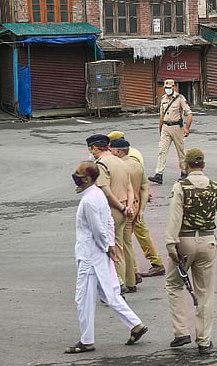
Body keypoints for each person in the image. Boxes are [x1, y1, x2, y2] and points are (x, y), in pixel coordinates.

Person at [66, 161, 147, 354]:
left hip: (90, 256)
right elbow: (109, 222)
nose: (76, 178)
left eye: (79, 175)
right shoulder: (98, 194)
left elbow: (98, 229)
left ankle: (87, 340)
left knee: (83, 298)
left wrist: (107, 246)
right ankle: (135, 325)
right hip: (99, 253)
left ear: (87, 179)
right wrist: (110, 245)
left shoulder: (89, 201)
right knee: (109, 293)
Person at [164, 149, 217, 354]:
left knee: (174, 284)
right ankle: (204, 340)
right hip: (208, 240)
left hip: (184, 241)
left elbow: (175, 217)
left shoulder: (181, 187)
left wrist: (170, 243)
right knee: (205, 293)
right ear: (203, 165)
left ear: (186, 165)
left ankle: (181, 331)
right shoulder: (215, 187)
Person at [107, 130, 165, 277]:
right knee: (138, 234)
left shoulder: (122, 161)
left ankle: (137, 270)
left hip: (128, 203)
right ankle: (149, 265)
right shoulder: (134, 154)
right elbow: (143, 181)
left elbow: (129, 183)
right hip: (137, 201)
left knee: (126, 240)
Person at [87, 134, 137, 292]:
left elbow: (106, 192)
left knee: (109, 248)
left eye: (91, 149)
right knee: (120, 247)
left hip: (111, 210)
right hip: (123, 208)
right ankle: (125, 283)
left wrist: (122, 208)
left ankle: (117, 285)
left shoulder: (101, 164)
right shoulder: (119, 161)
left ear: (95, 148)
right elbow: (130, 188)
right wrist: (128, 207)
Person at [110, 138, 150, 290]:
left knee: (122, 245)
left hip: (124, 208)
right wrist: (141, 209)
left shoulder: (119, 167)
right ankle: (132, 277)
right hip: (135, 207)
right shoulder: (137, 165)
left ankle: (129, 279)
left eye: (112, 150)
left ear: (119, 151)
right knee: (128, 243)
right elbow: (145, 188)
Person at [149, 79, 194, 185]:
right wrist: (160, 129)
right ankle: (159, 174)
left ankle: (184, 172)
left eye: (170, 88)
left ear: (174, 87)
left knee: (180, 151)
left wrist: (187, 128)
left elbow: (189, 114)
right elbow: (161, 115)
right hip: (166, 127)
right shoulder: (163, 99)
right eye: (166, 88)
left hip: (177, 127)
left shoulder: (180, 98)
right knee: (162, 150)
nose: (168, 90)